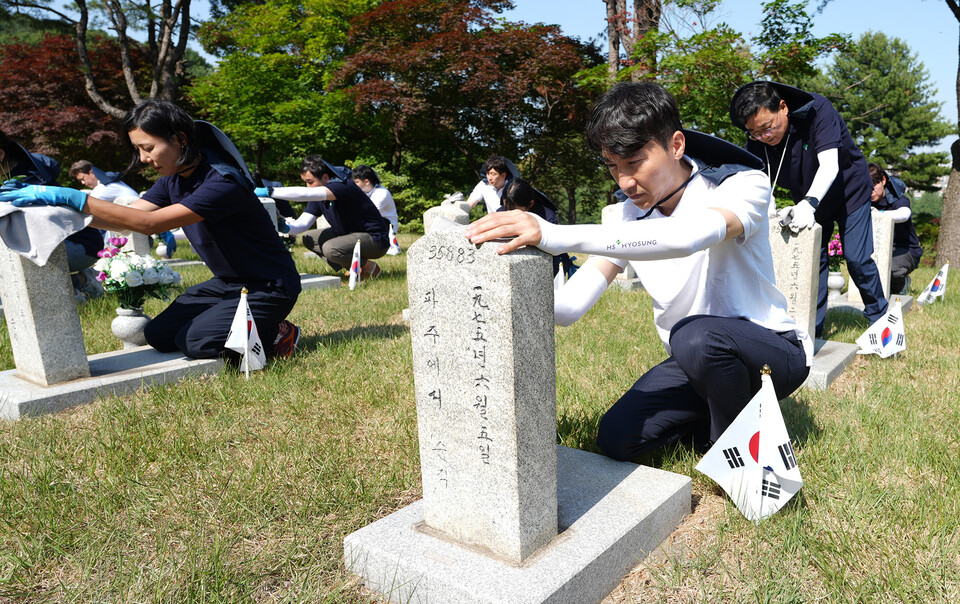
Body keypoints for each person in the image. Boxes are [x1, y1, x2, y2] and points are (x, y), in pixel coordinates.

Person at [466, 82, 812, 461]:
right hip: (695, 360)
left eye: (634, 163)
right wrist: (493, 302)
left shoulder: (740, 184)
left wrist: (554, 233)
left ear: (676, 145)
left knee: (694, 335)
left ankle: (736, 453)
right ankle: (714, 416)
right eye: (613, 167)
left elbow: (687, 236)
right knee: (617, 438)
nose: (625, 181)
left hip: (771, 353)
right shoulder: (630, 215)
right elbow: (567, 308)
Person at [0, 100, 302, 360]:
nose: (144, 158)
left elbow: (151, 224)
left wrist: (74, 198)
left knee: (194, 341)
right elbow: (129, 217)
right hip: (228, 284)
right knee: (158, 335)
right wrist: (61, 206)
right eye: (138, 149)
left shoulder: (222, 181)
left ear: (180, 139)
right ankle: (238, 321)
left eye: (148, 148)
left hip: (269, 286)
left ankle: (276, 331)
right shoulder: (173, 180)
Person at [729, 81, 889, 337]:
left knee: (857, 259)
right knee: (813, 259)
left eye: (767, 128)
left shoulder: (818, 111)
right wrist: (769, 214)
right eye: (755, 133)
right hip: (809, 197)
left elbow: (829, 165)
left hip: (849, 191)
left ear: (783, 107)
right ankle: (811, 329)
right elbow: (758, 181)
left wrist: (809, 204)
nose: (764, 137)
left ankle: (880, 319)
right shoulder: (757, 139)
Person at [0, 131, 105, 300]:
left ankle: (80, 283)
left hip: (82, 245)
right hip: (63, 242)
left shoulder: (28, 182)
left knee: (19, 261)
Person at [259, 156, 389, 280]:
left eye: (310, 182)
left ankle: (369, 268)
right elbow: (303, 224)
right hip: (350, 235)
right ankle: (353, 267)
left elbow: (306, 194)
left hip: (375, 240)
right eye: (305, 183)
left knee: (331, 248)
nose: (308, 187)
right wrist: (287, 228)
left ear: (325, 177)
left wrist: (269, 191)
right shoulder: (318, 196)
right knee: (309, 238)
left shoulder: (343, 186)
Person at [69, 159, 179, 258]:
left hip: (136, 225)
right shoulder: (111, 182)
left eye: (83, 178)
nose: (83, 183)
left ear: (91, 172)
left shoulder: (104, 188)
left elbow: (85, 205)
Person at [498, 177, 573, 278]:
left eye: (516, 211)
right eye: (507, 209)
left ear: (531, 204)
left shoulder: (548, 217)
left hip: (548, 269)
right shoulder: (501, 212)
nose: (511, 214)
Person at [868, 163, 923, 295]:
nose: (871, 191)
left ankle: (901, 285)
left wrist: (877, 215)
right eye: (867, 187)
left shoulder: (899, 199)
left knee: (892, 269)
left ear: (883, 180)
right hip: (877, 247)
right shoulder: (865, 200)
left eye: (874, 185)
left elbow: (903, 214)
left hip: (905, 249)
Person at [352, 164, 399, 234]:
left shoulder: (382, 193)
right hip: (374, 223)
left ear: (366, 182)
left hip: (388, 227)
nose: (354, 185)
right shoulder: (363, 192)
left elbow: (368, 214)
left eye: (357, 182)